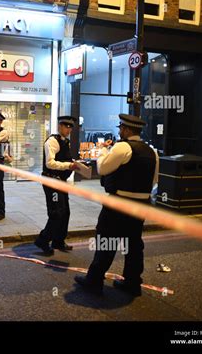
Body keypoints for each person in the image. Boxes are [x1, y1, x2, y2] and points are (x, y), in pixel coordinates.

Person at [75, 114, 159, 297]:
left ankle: (94, 281)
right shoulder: (151, 151)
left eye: (121, 128)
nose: (119, 131)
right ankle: (132, 283)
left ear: (127, 130)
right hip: (141, 205)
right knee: (134, 244)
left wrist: (103, 151)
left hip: (119, 203)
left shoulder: (122, 147)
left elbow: (103, 168)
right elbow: (154, 180)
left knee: (106, 242)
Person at [34, 116, 79, 255]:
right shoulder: (52, 141)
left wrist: (76, 163)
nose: (69, 129)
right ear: (60, 126)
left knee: (65, 212)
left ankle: (58, 241)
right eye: (66, 126)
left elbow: (64, 158)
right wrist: (68, 165)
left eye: (71, 127)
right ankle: (43, 240)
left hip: (61, 181)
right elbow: (50, 163)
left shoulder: (66, 141)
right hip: (51, 181)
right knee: (56, 213)